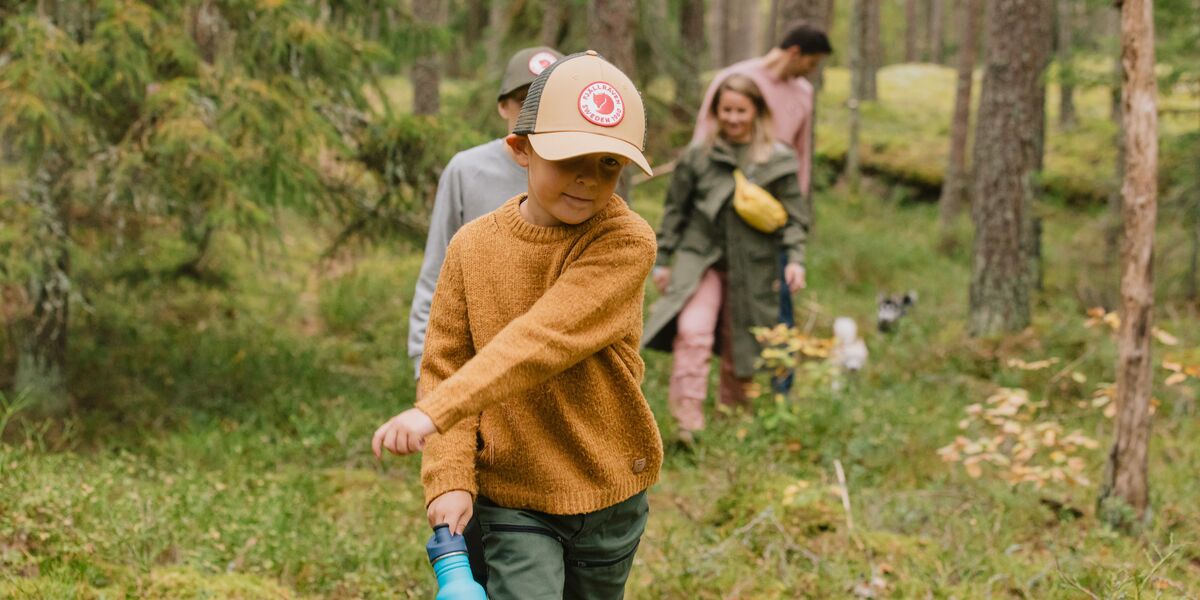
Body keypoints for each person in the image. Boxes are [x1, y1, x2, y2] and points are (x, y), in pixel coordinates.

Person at [373, 51, 660, 600]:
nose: (588, 179)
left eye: (608, 164)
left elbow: (546, 338)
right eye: (569, 156)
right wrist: (450, 479)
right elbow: (445, 364)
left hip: (609, 494)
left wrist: (435, 412)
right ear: (520, 149)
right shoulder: (472, 246)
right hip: (514, 493)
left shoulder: (625, 241)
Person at [644, 74, 811, 446]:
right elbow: (676, 211)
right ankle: (688, 424)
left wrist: (795, 259)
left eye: (741, 110)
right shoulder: (699, 156)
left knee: (743, 343)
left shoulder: (778, 158)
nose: (734, 118)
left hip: (755, 264)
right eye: (726, 110)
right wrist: (665, 259)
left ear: (756, 112)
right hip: (700, 259)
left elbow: (795, 216)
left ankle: (732, 420)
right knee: (692, 331)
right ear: (716, 112)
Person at [408, 46, 564, 385]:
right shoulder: (467, 169)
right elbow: (437, 267)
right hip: (476, 352)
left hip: (552, 361)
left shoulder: (580, 179)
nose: (536, 112)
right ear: (502, 105)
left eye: (549, 99)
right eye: (526, 100)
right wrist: (424, 360)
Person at [693, 23, 831, 392]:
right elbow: (703, 141)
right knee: (729, 310)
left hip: (776, 212)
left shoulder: (803, 92)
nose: (813, 72)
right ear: (795, 53)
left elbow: (800, 156)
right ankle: (729, 390)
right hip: (730, 211)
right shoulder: (736, 78)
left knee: (780, 299)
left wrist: (795, 216)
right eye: (812, 63)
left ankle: (780, 389)